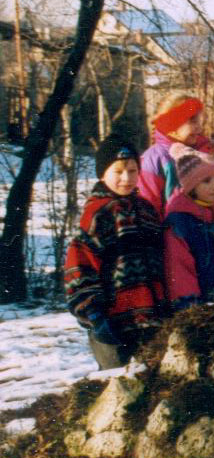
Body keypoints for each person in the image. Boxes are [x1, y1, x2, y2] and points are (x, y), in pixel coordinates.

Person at [65, 133, 167, 369]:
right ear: (102, 173)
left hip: (151, 317)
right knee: (116, 381)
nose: (126, 178)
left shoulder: (146, 211)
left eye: (132, 171)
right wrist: (93, 312)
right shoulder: (98, 214)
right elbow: (80, 264)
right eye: (118, 171)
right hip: (112, 321)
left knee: (152, 381)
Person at [162, 147, 214, 309]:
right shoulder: (179, 223)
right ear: (190, 186)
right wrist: (192, 307)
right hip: (199, 309)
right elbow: (180, 271)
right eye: (206, 181)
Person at [137, 94, 210, 217]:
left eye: (199, 121)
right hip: (172, 231)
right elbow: (148, 205)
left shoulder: (201, 155)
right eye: (193, 120)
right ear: (172, 123)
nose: (199, 127)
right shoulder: (156, 158)